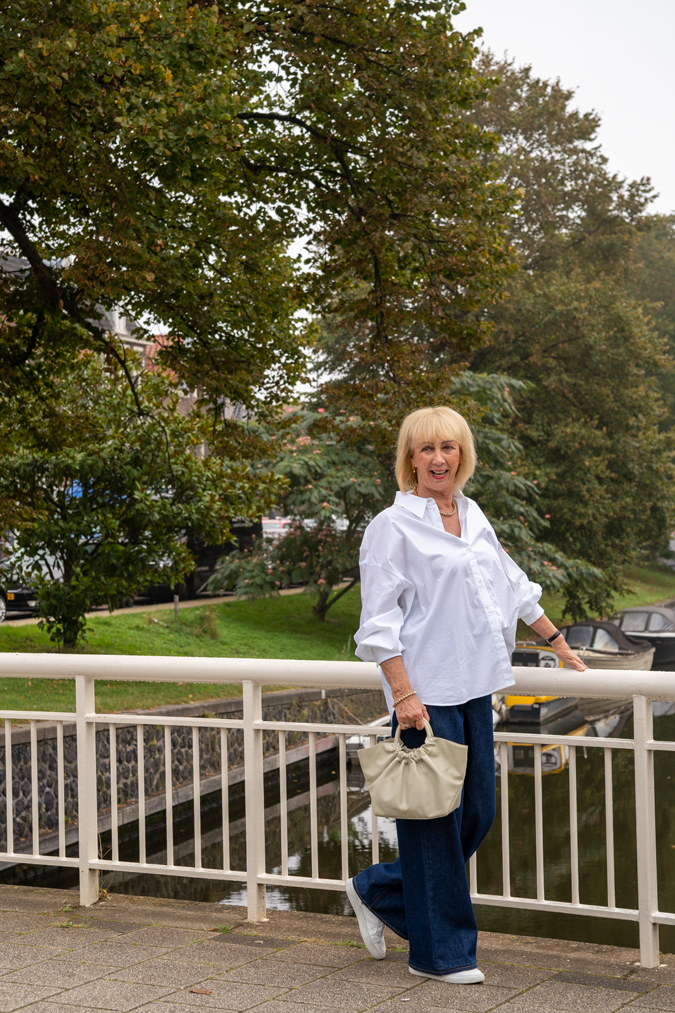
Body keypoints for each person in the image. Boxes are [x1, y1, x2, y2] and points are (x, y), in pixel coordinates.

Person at [346, 406, 587, 984]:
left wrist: (561, 646)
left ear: (463, 455)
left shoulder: (475, 516)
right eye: (426, 449)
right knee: (434, 821)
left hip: (478, 687)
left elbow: (514, 587)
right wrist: (403, 695)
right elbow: (378, 622)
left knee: (475, 813)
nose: (438, 459)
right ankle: (441, 955)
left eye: (449, 448)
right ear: (409, 459)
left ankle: (376, 887)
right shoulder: (392, 527)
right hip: (425, 695)